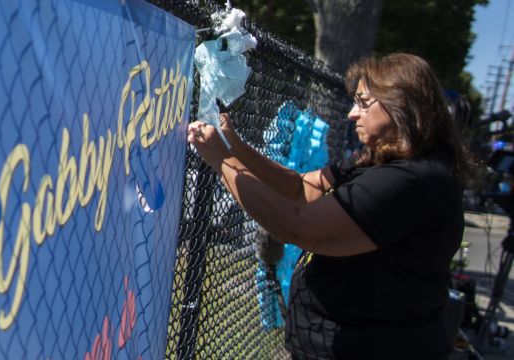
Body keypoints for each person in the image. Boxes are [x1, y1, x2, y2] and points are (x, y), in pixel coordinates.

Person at [188, 53, 469, 360]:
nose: (352, 114)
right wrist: (234, 147)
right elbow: (299, 189)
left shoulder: (411, 180)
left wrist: (221, 161)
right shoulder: (378, 159)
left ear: (401, 105)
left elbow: (297, 224)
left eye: (363, 102)